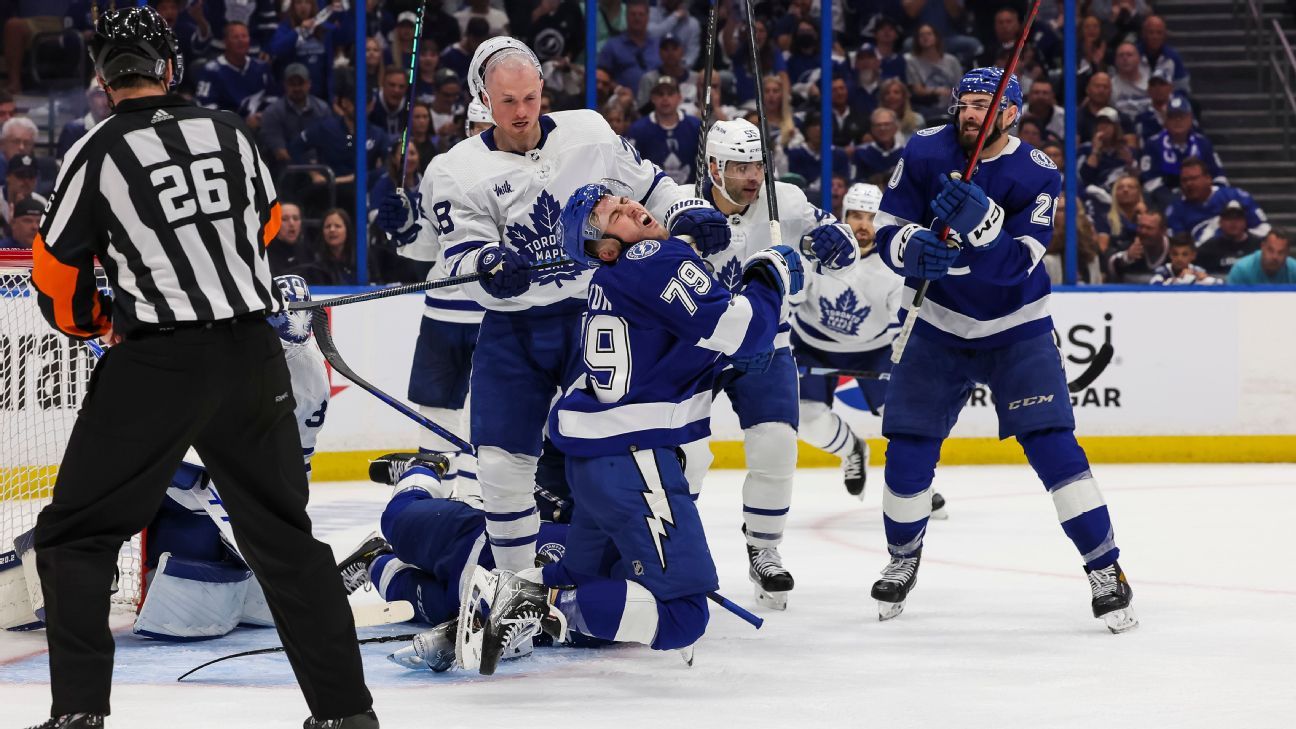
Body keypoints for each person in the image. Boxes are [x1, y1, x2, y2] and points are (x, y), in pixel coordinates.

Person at [22, 7, 375, 728]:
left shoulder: (95, 152)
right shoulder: (232, 133)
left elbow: (56, 277)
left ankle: (79, 715)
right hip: (252, 356)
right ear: (170, 68)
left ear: (102, 76)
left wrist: (97, 319)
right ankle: (347, 716)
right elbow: (269, 224)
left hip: (157, 362)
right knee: (284, 539)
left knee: (76, 536)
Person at [460, 181, 799, 676]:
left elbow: (672, 348)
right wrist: (770, 274)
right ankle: (529, 599)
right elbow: (742, 331)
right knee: (684, 615)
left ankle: (513, 598)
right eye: (615, 212)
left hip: (596, 462)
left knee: (583, 574)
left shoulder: (610, 279)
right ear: (607, 247)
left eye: (625, 200)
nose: (632, 205)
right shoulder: (651, 259)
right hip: (636, 460)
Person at [414, 37, 726, 575]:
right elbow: (464, 259)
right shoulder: (454, 169)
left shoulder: (588, 131)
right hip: (515, 330)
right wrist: (490, 267)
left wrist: (689, 209)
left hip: (597, 317)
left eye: (531, 97)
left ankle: (645, 558)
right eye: (506, 101)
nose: (521, 112)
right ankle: (515, 589)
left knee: (639, 447)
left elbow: (651, 188)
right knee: (499, 465)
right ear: (482, 100)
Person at [870, 67, 1137, 634]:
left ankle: (1105, 569)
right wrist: (910, 247)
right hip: (939, 322)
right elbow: (888, 226)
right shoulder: (922, 150)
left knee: (1054, 448)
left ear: (1012, 114)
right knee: (907, 453)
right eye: (966, 103)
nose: (972, 114)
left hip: (1017, 326)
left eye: (986, 106)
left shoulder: (1037, 172)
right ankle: (903, 555)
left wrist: (986, 229)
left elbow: (1020, 264)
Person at [699, 118, 859, 609]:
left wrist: (838, 246)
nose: (752, 176)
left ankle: (764, 551)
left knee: (777, 446)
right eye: (740, 166)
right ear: (712, 167)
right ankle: (670, 553)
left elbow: (845, 250)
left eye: (757, 164)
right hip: (697, 347)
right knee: (684, 461)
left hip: (767, 344)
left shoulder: (784, 202)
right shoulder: (680, 204)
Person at [374, 100, 493, 498]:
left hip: (494, 313)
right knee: (435, 412)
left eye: (487, 126)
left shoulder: (525, 170)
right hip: (442, 309)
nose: (481, 134)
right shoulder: (443, 168)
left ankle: (480, 506)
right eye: (475, 125)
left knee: (487, 418)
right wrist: (405, 227)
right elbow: (433, 243)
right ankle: (430, 503)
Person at [1140, 97, 1226, 207]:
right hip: (1165, 199)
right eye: (1173, 117)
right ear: (1166, 120)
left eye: (1182, 116)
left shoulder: (1203, 143)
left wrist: (1214, 194)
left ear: (1190, 118)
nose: (1178, 121)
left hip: (1202, 198)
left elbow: (1218, 175)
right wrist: (1171, 199)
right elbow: (1149, 179)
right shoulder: (1153, 144)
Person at [1166, 158, 1270, 244]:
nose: (1189, 184)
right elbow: (1179, 247)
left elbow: (1264, 229)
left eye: (1193, 179)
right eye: (1184, 180)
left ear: (1208, 179)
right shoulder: (1175, 210)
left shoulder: (1236, 196)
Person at [258, 62, 331, 176]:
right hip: (286, 172)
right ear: (285, 85)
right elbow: (280, 152)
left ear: (309, 84)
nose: (297, 88)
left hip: (320, 169)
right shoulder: (272, 112)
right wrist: (310, 172)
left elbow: (329, 143)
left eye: (301, 83)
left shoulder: (323, 109)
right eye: (292, 84)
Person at [626, 75, 701, 185]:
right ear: (652, 98)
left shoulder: (695, 126)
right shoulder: (638, 130)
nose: (665, 98)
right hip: (652, 195)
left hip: (690, 193)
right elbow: (631, 167)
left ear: (679, 97)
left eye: (670, 94)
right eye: (660, 94)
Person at [194, 20, 271, 116]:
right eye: (236, 37)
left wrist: (263, 117)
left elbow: (273, 98)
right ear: (225, 42)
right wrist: (242, 122)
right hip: (226, 126)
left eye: (244, 36)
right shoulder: (211, 71)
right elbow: (205, 106)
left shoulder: (261, 67)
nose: (241, 40)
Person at [597, 0, 660, 92]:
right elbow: (601, 75)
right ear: (626, 17)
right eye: (633, 14)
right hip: (623, 101)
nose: (637, 18)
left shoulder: (658, 45)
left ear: (647, 17)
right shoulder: (613, 45)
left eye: (641, 14)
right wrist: (619, 89)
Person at [1197, 201, 1263, 275]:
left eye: (1238, 218)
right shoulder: (1208, 248)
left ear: (1245, 222)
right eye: (1228, 218)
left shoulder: (1259, 246)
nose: (1233, 222)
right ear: (1220, 222)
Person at [1107, 209, 1170, 284]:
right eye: (1141, 226)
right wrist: (1127, 257)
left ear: (1163, 231)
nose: (1143, 231)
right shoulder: (1129, 245)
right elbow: (1108, 265)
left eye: (1149, 228)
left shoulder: (1176, 250)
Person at [56, 83, 111, 163]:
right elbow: (62, 165)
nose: (105, 102)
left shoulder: (119, 129)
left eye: (109, 96)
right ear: (90, 99)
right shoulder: (74, 130)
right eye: (99, 95)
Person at [851, 108, 906, 184]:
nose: (882, 128)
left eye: (887, 124)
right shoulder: (861, 153)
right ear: (872, 129)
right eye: (878, 125)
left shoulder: (906, 152)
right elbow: (856, 182)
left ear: (895, 128)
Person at [1227, 229, 1296, 285]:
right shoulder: (1241, 270)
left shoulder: (1294, 270)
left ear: (1287, 253)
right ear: (1262, 247)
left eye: (1280, 252)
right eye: (1270, 250)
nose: (1275, 257)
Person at [1148, 235, 1222, 285]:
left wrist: (1205, 279)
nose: (1179, 258)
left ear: (1193, 255)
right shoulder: (1162, 271)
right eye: (1175, 254)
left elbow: (1220, 284)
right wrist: (1179, 279)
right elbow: (1154, 285)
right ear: (1170, 254)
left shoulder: (1197, 271)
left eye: (1185, 254)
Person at [268, 201, 312, 275]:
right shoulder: (267, 253)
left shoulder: (308, 253)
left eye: (296, 218)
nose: (291, 223)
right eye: (284, 219)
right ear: (275, 223)